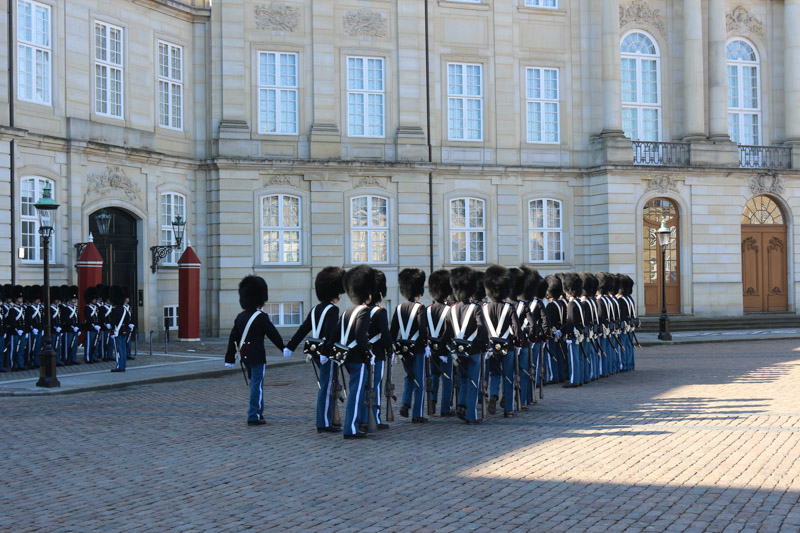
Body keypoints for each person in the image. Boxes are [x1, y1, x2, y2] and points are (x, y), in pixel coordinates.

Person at [284, 266, 345, 433]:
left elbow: (303, 329)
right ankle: (324, 422)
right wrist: (327, 352)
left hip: (315, 351)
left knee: (329, 385)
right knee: (326, 387)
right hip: (327, 353)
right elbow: (331, 334)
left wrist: (290, 346)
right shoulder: (332, 310)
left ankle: (330, 417)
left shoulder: (316, 309)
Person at [224, 275, 285, 425]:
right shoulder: (261, 317)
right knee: (257, 386)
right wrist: (284, 348)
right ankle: (253, 415)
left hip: (245, 355)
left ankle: (259, 412)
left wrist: (229, 358)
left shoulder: (240, 317)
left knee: (255, 385)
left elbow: (233, 338)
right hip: (257, 356)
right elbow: (273, 335)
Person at [334, 265, 374, 439]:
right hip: (357, 357)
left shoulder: (347, 311)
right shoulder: (364, 310)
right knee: (356, 393)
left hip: (347, 356)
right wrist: (369, 352)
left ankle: (354, 424)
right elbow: (360, 335)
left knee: (355, 391)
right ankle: (350, 428)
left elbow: (336, 334)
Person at [447, 266, 487, 424]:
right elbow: (482, 330)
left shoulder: (452, 309)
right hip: (474, 350)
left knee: (462, 380)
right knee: (472, 381)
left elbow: (447, 331)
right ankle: (471, 415)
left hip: (458, 350)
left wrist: (449, 349)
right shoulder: (476, 308)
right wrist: (484, 345)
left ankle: (461, 405)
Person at [391, 268, 429, 423]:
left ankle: (405, 404)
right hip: (417, 348)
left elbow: (393, 330)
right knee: (419, 379)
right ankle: (417, 413)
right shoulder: (419, 307)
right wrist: (425, 343)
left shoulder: (399, 307)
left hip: (403, 347)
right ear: (418, 291)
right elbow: (422, 329)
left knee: (409, 377)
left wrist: (394, 347)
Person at [483, 265, 520, 417]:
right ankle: (508, 409)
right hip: (508, 346)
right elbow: (517, 329)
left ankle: (493, 397)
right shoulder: (509, 308)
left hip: (491, 346)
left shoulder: (484, 308)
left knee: (494, 374)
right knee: (508, 376)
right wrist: (518, 342)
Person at [360, 269, 392, 431]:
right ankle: (375, 418)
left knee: (365, 385)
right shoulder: (381, 312)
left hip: (362, 352)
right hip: (377, 353)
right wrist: (390, 350)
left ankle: (362, 416)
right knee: (376, 386)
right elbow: (386, 335)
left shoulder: (360, 310)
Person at [426, 269, 454, 417]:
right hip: (446, 349)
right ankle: (445, 409)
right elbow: (450, 331)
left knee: (434, 376)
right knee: (447, 378)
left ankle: (432, 403)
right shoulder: (449, 310)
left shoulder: (428, 309)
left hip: (431, 347)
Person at [108, 286, 129, 373]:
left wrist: (112, 329)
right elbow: (128, 320)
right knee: (123, 349)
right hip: (124, 331)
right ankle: (123, 365)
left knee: (118, 350)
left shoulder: (115, 310)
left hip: (117, 332)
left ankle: (119, 366)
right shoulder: (124, 309)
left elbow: (112, 322)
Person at [83, 286, 102, 364]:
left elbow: (99, 316)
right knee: (89, 344)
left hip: (96, 328)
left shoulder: (97, 307)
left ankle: (94, 357)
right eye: (94, 299)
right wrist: (94, 325)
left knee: (95, 344)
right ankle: (87, 358)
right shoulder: (87, 308)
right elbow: (89, 318)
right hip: (90, 328)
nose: (95, 300)